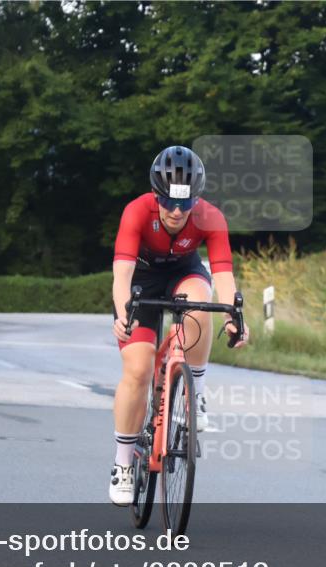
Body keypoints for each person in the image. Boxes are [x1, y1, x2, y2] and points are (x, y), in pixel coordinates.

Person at [108, 146, 249, 506]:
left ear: (195, 201)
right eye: (168, 202)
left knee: (201, 304)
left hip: (184, 273)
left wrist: (235, 318)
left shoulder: (210, 217)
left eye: (184, 204)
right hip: (142, 280)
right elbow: (121, 274)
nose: (175, 211)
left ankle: (196, 394)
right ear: (156, 195)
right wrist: (123, 312)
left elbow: (223, 276)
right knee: (138, 370)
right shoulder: (137, 212)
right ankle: (123, 464)